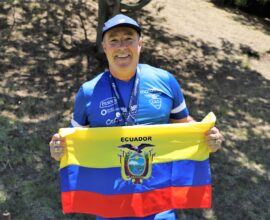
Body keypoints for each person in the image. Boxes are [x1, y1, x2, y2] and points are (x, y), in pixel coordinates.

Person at [49, 14, 223, 220]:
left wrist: (208, 137)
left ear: (140, 43)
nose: (122, 46)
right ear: (104, 47)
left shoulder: (165, 81)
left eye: (128, 38)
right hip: (110, 207)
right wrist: (58, 148)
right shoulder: (88, 92)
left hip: (159, 207)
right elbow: (74, 140)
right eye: (113, 40)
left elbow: (185, 126)